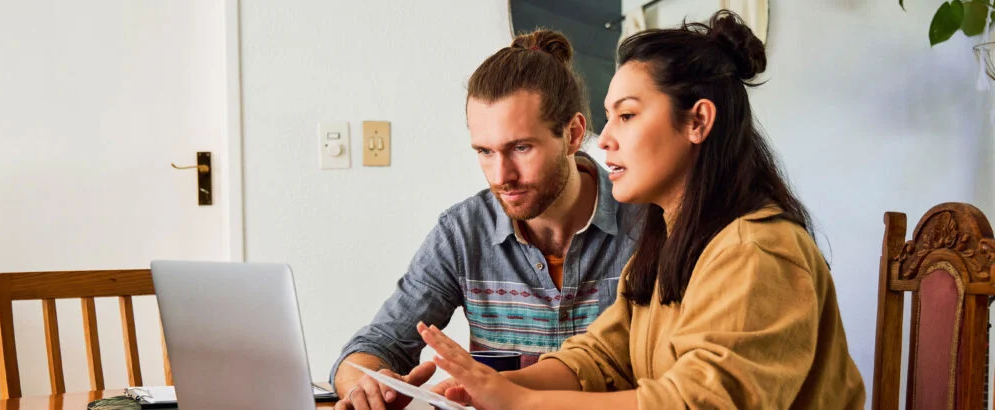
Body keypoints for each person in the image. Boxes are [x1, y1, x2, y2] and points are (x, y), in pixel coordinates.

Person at [419, 10, 866, 409]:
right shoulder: (670, 241)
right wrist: (490, 386)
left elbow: (698, 403)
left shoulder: (757, 251)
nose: (606, 139)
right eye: (609, 116)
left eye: (627, 115)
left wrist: (521, 402)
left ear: (697, 121)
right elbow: (602, 355)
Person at [331, 29, 643, 410]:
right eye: (485, 151)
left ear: (573, 134)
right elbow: (372, 347)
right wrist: (366, 387)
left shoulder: (651, 224)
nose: (501, 176)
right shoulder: (463, 233)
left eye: (521, 148)